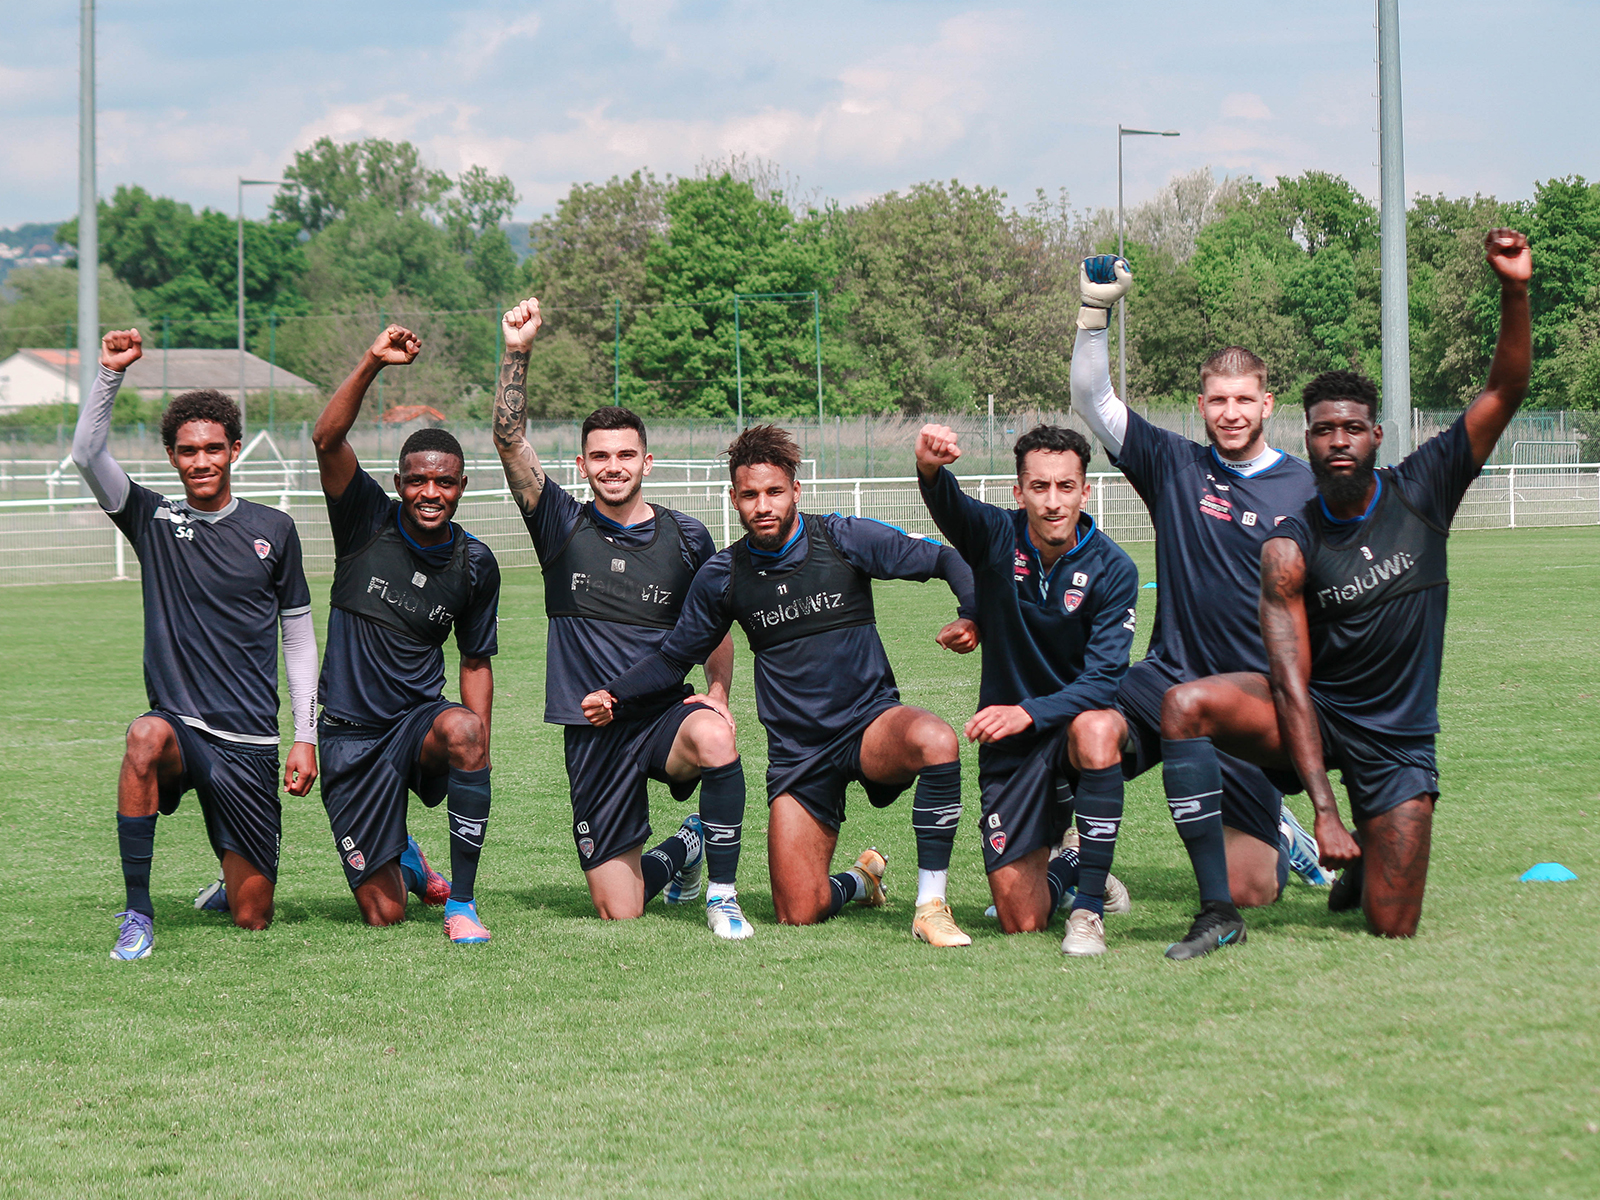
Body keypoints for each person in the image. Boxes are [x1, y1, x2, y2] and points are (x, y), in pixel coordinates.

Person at [1159, 229, 1532, 939]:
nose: (1338, 440)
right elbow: (1292, 682)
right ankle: (1219, 909)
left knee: (1391, 926)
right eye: (1324, 429)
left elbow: (1505, 389)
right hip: (1319, 718)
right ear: (1306, 437)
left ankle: (1368, 855)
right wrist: (1323, 809)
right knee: (1183, 704)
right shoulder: (1288, 548)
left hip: (1398, 741)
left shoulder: (1425, 489)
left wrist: (1514, 290)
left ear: (1376, 437)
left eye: (1352, 429)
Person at [582, 425, 982, 946]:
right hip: (799, 756)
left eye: (774, 491)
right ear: (734, 499)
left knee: (936, 739)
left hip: (869, 726)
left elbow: (946, 557)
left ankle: (931, 905)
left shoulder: (843, 538)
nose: (762, 505)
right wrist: (615, 693)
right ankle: (860, 879)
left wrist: (972, 615)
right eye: (749, 495)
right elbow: (672, 656)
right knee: (798, 910)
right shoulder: (723, 576)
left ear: (796, 490)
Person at [1069, 254, 1329, 962]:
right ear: (1202, 404)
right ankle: (1077, 871)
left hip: (1250, 706)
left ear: (1267, 404)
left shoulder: (1307, 491)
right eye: (1217, 401)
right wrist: (1096, 313)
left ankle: (1278, 834)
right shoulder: (1176, 466)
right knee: (1078, 730)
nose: (1231, 414)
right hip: (1169, 676)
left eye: (1244, 400)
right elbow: (1093, 401)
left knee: (1253, 890)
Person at [492, 299, 749, 939]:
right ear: (582, 465)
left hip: (662, 714)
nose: (614, 466)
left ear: (646, 462)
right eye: (600, 456)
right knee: (620, 911)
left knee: (716, 740)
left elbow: (714, 623)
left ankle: (723, 895)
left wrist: (717, 694)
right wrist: (517, 351)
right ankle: (684, 850)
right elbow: (508, 439)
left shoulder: (687, 537)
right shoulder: (560, 524)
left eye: (626, 455)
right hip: (592, 731)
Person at [72, 329, 319, 960]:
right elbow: (86, 453)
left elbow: (297, 637)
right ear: (172, 456)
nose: (201, 461)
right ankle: (138, 913)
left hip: (251, 744)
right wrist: (109, 373)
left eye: (213, 448)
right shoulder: (151, 519)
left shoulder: (275, 529)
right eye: (187, 451)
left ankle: (228, 872)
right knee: (142, 735)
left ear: (235, 450)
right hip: (181, 731)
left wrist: (305, 734)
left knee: (253, 918)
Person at [915, 422, 1139, 956]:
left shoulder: (1114, 569)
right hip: (1011, 748)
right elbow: (949, 503)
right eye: (1040, 487)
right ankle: (1070, 861)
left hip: (1069, 732)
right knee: (1021, 919)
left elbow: (1104, 681)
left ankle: (1087, 911)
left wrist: (1026, 712)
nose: (1054, 501)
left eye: (1066, 487)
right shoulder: (996, 535)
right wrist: (928, 466)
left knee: (1097, 728)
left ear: (1086, 491)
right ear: (1020, 492)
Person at [311, 324, 502, 944]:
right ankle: (411, 863)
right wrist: (371, 361)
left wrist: (480, 747)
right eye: (418, 480)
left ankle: (463, 905)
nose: (430, 492)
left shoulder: (475, 564)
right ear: (399, 484)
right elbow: (325, 437)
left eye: (444, 482)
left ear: (461, 488)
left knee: (463, 728)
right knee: (384, 913)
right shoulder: (365, 518)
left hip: (417, 726)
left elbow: (475, 661)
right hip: (347, 736)